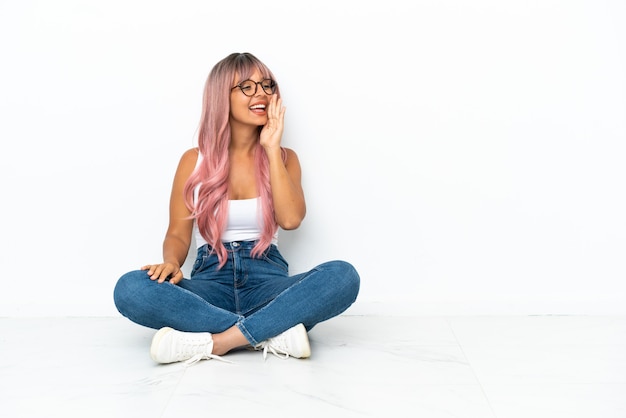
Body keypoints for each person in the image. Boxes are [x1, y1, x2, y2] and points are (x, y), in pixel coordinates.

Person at [113, 52, 360, 365]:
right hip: (209, 282)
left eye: (267, 85)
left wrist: (271, 149)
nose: (261, 94)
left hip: (266, 281)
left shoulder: (285, 158)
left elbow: (291, 219)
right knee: (130, 289)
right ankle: (270, 330)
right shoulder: (194, 160)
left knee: (342, 276)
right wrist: (171, 262)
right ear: (221, 97)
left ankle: (219, 342)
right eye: (247, 87)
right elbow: (177, 232)